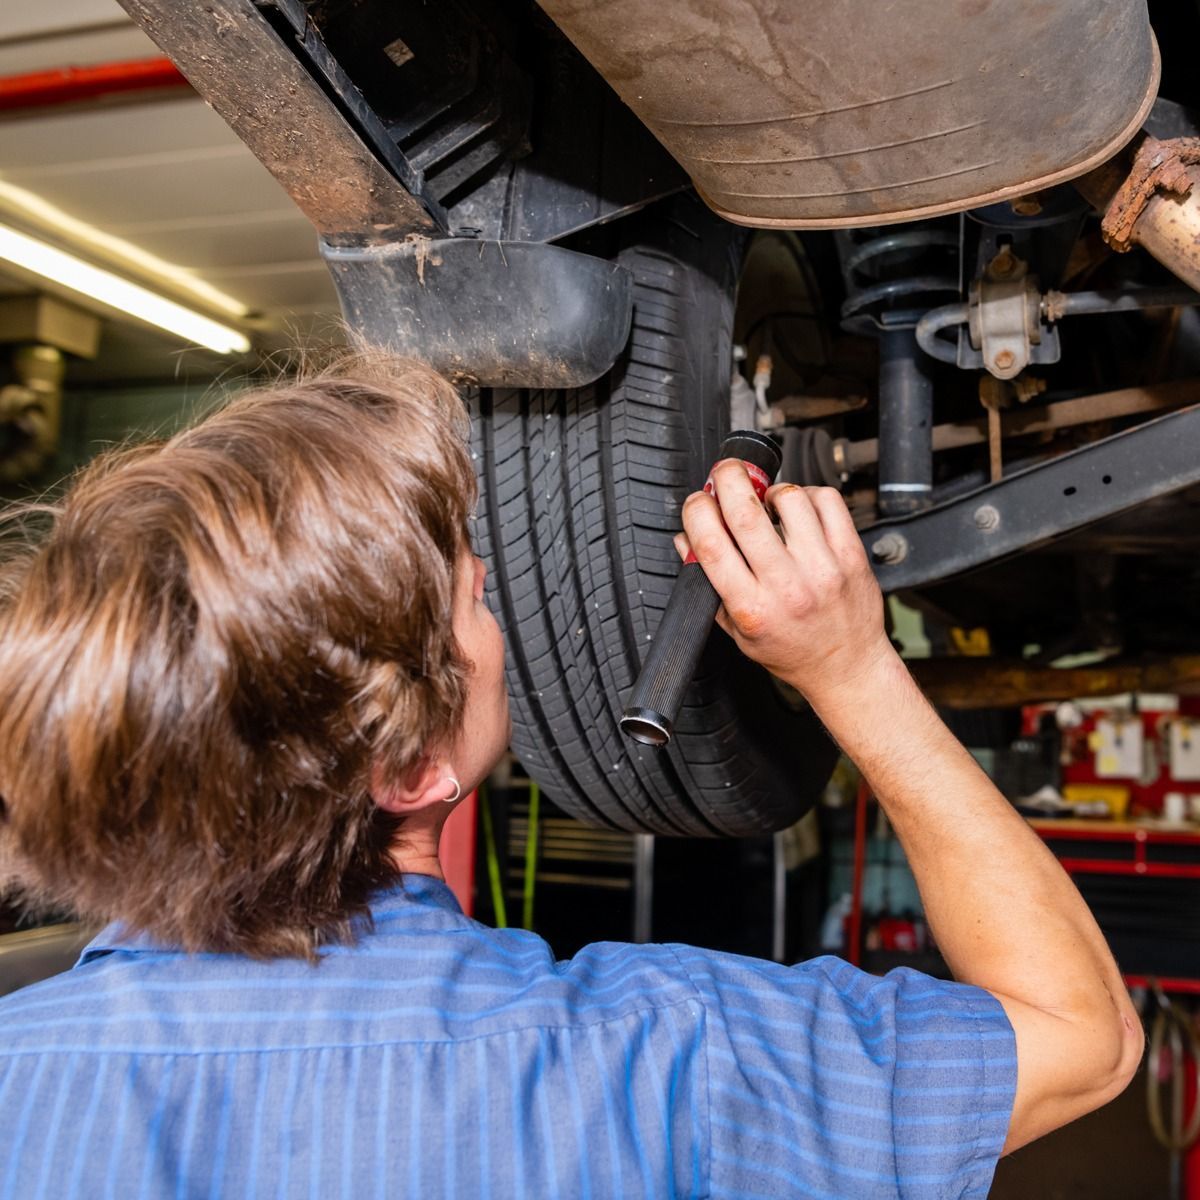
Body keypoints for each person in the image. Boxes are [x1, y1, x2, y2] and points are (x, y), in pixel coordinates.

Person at [0, 352, 1141, 1199]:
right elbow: (1082, 1038)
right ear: (408, 767)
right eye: (474, 601)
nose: (497, 590)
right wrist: (850, 667)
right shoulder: (653, 1057)